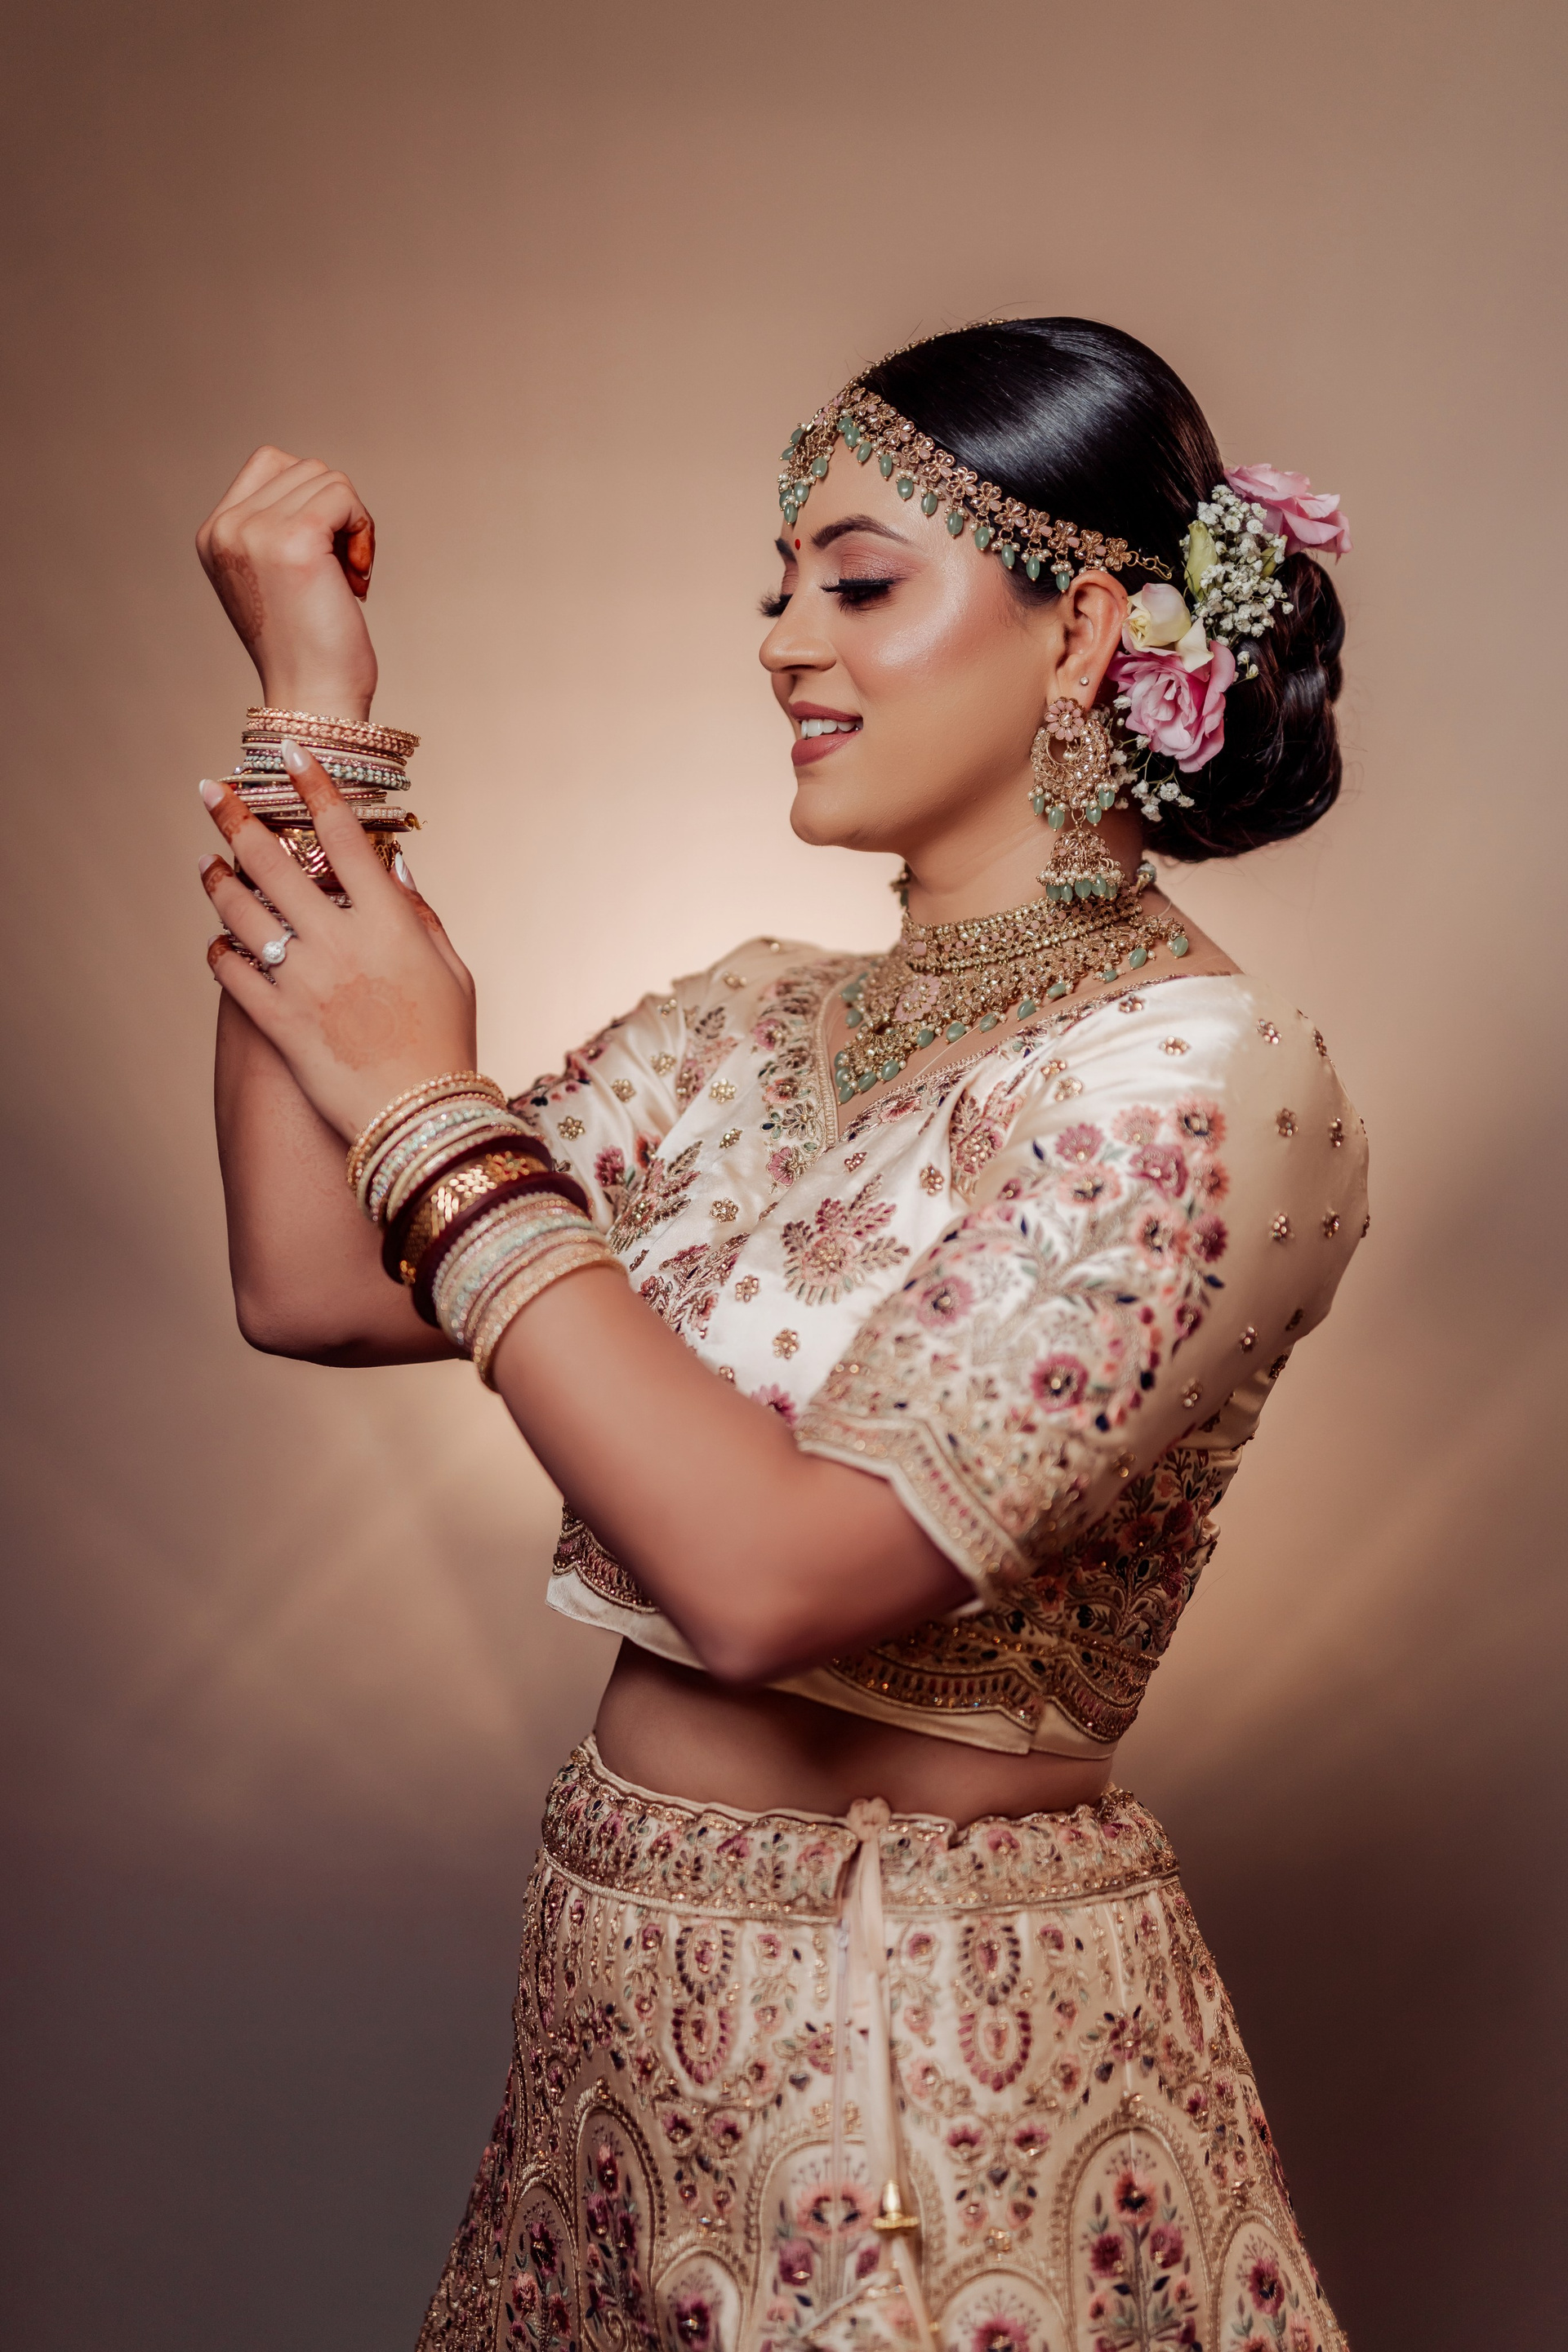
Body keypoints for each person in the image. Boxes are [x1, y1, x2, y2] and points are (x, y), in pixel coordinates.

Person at [194, 318, 1364, 2352]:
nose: (783, 643)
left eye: (861, 582)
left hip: (919, 2065)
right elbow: (313, 1274)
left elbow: (768, 1585)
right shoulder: (750, 1022)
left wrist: (433, 1109)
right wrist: (314, 710)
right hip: (621, 2036)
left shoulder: (1204, 1076)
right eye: (780, 587)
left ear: (1085, 631)